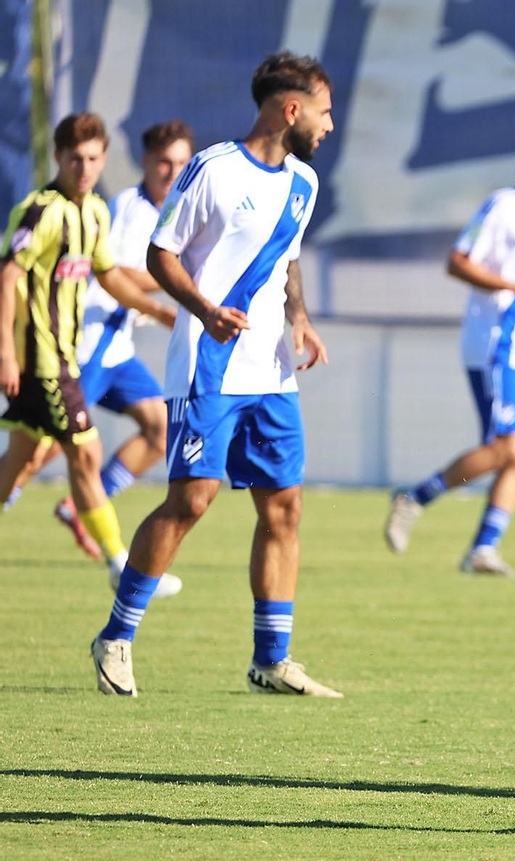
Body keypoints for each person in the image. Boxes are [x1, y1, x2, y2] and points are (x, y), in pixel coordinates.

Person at [89, 51, 340, 698]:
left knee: (284, 507)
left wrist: (301, 318)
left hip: (273, 373)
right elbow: (159, 253)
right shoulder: (215, 169)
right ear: (292, 109)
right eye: (325, 111)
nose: (330, 125)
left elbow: (287, 262)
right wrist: (205, 309)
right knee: (191, 499)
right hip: (209, 363)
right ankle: (116, 635)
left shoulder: (305, 184)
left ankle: (271, 659)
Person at [384, 124, 515, 576]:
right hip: (492, 340)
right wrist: (511, 285)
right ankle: (415, 496)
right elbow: (458, 262)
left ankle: (483, 549)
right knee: (505, 446)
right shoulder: (504, 206)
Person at [0, 112, 180, 597]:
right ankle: (121, 565)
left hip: (63, 359)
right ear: (58, 157)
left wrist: (159, 311)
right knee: (86, 456)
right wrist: (4, 353)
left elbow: (110, 276)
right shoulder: (41, 210)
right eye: (75, 158)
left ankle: (120, 564)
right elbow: (8, 274)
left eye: (93, 158)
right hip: (45, 361)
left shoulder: (94, 212)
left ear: (104, 159)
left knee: (18, 461)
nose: (84, 167)